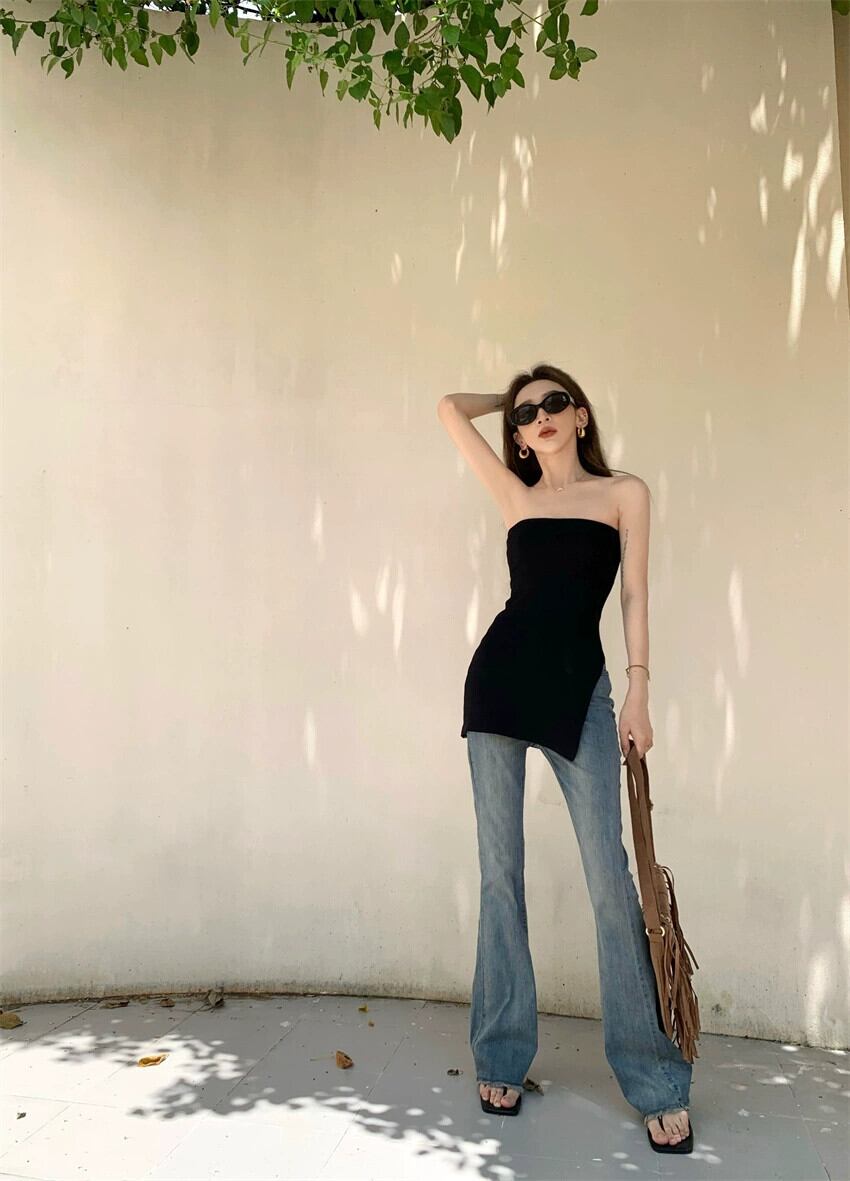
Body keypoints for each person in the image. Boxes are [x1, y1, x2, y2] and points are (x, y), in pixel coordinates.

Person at [436, 364, 694, 1154]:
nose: (539, 416)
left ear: (581, 415)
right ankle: (501, 1054)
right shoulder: (516, 496)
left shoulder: (624, 493)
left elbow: (635, 597)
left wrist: (640, 689)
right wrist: (507, 393)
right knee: (499, 874)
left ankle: (654, 1077)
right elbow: (448, 409)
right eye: (526, 415)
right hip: (500, 685)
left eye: (554, 403)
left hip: (582, 689)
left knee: (611, 880)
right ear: (517, 437)